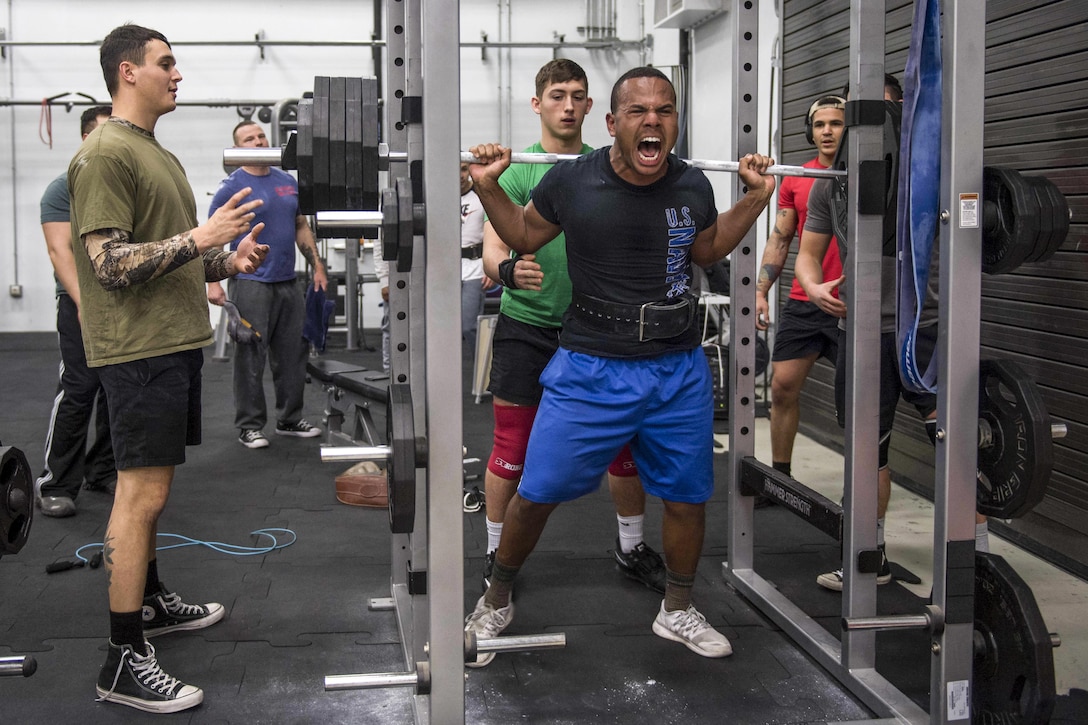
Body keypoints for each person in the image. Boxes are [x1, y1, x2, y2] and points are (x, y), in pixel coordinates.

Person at [464, 66, 775, 664]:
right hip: (589, 367)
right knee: (538, 492)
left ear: (675, 123)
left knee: (686, 497)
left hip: (676, 367)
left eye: (664, 111)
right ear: (612, 124)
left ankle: (678, 608)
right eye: (638, 111)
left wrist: (758, 198)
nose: (652, 120)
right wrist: (485, 186)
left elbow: (706, 248)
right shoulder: (573, 181)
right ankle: (497, 594)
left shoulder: (692, 186)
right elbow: (524, 232)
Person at [69, 23, 269, 713]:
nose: (177, 74)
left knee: (153, 493)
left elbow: (168, 254)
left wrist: (223, 260)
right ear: (128, 71)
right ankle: (122, 658)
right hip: (137, 349)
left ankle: (149, 602)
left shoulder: (155, 153)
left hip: (172, 340)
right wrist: (200, 236)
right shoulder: (104, 154)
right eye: (166, 63)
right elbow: (108, 264)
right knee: (139, 496)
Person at [479, 58, 666, 599]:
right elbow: (492, 250)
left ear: (591, 108)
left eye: (577, 95)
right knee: (511, 445)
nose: (567, 105)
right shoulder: (515, 172)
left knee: (623, 444)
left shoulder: (611, 165)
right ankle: (496, 551)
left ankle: (631, 547)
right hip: (527, 327)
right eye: (557, 95)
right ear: (537, 104)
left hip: (598, 329)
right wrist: (508, 269)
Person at [795, 73, 989, 592]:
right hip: (860, 331)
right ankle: (869, 553)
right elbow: (808, 256)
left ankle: (981, 571)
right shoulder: (833, 183)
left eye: (883, 114)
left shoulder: (934, 176)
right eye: (858, 116)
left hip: (924, 328)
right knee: (867, 449)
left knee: (956, 445)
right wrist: (813, 289)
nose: (870, 129)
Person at [207, 120, 326, 449]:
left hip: (288, 281)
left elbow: (300, 225)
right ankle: (249, 425)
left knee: (292, 355)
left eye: (261, 136)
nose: (258, 141)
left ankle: (289, 418)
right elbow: (215, 236)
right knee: (250, 356)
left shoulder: (287, 182)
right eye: (249, 138)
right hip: (250, 282)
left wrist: (316, 265)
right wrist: (213, 283)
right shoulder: (231, 186)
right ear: (238, 148)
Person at [754, 95, 845, 497]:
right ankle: (780, 478)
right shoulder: (796, 177)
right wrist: (760, 290)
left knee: (864, 401)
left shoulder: (870, 174)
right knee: (782, 387)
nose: (827, 131)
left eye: (837, 123)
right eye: (820, 124)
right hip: (804, 300)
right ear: (810, 131)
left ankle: (861, 492)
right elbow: (781, 236)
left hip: (851, 305)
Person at [34, 105, 116, 518]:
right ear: (87, 140)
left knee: (116, 388)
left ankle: (102, 470)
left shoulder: (121, 184)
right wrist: (85, 302)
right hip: (79, 302)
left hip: (122, 301)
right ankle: (56, 482)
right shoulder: (61, 189)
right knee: (80, 387)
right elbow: (59, 249)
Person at [459, 161, 491, 351]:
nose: (460, 175)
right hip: (446, 268)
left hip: (475, 267)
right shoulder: (438, 196)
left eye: (464, 169)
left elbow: (498, 231)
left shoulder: (482, 196)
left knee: (469, 326)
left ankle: (482, 376)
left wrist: (491, 267)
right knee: (442, 328)